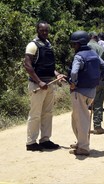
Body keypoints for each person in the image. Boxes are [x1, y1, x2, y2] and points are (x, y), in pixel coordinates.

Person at [24, 21, 66, 151]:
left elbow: (49, 66)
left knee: (48, 113)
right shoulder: (32, 45)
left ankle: (45, 139)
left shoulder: (48, 44)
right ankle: (31, 143)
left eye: (46, 30)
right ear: (37, 30)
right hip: (37, 85)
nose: (45, 33)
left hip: (49, 84)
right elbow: (27, 65)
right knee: (35, 114)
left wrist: (57, 74)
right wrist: (39, 82)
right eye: (42, 30)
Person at [69, 31, 104, 156]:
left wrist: (73, 82)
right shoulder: (93, 54)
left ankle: (84, 148)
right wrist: (99, 79)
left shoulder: (79, 56)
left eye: (74, 44)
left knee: (81, 119)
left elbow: (74, 72)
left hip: (79, 92)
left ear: (79, 44)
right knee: (76, 117)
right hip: (91, 91)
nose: (73, 47)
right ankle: (81, 142)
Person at [88, 32, 104, 134]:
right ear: (96, 38)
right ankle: (97, 126)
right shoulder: (101, 48)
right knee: (98, 103)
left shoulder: (85, 47)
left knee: (85, 104)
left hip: (87, 80)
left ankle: (84, 128)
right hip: (99, 79)